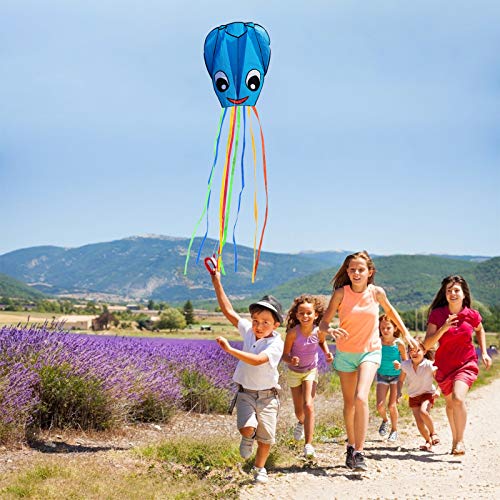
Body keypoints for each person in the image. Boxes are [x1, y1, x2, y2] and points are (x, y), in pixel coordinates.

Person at [318, 251, 417, 471]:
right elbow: (323, 324)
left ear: (369, 272)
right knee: (349, 403)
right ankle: (351, 447)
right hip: (345, 353)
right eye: (352, 269)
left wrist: (407, 334)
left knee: (361, 397)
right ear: (347, 271)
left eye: (360, 269)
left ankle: (360, 452)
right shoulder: (340, 294)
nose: (356, 273)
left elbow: (391, 311)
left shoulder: (376, 293)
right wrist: (331, 330)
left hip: (370, 352)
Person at [208, 269, 284, 484]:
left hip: (269, 397)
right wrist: (216, 282)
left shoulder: (276, 344)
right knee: (247, 427)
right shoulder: (249, 331)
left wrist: (230, 350)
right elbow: (229, 311)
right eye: (255, 320)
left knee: (267, 437)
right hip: (246, 393)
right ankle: (247, 436)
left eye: (265, 322)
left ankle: (259, 468)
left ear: (276, 324)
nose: (258, 326)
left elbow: (258, 360)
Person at [424, 275, 492, 455]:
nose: (452, 293)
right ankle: (455, 440)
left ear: (463, 294)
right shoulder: (438, 314)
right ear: (445, 294)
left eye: (456, 290)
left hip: (466, 363)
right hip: (444, 366)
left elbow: (480, 330)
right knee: (450, 404)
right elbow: (427, 345)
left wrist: (484, 352)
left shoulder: (471, 314)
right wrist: (443, 328)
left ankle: (459, 441)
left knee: (458, 399)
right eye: (449, 290)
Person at [282, 294, 333, 459]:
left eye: (309, 313)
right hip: (294, 373)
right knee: (299, 411)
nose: (305, 316)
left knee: (309, 405)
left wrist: (327, 353)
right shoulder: (292, 333)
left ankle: (309, 445)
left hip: (311, 370)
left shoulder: (318, 331)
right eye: (301, 313)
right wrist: (291, 359)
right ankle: (301, 423)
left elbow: (321, 341)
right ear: (296, 315)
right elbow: (284, 355)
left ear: (316, 315)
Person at [395, 340, 440, 451]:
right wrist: (398, 392)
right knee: (419, 425)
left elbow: (440, 379)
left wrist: (438, 391)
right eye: (411, 351)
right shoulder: (406, 365)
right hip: (413, 396)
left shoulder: (429, 364)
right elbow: (400, 381)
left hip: (427, 394)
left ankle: (433, 433)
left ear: (424, 352)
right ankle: (428, 442)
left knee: (423, 412)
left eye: (417, 350)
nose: (414, 353)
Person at [376, 315, 407, 442]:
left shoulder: (399, 343)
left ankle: (394, 430)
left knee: (392, 406)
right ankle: (385, 420)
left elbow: (406, 362)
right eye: (382, 328)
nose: (385, 330)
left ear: (395, 328)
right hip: (382, 375)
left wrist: (400, 366)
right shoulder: (377, 341)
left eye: (388, 327)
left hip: (396, 376)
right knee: (380, 406)